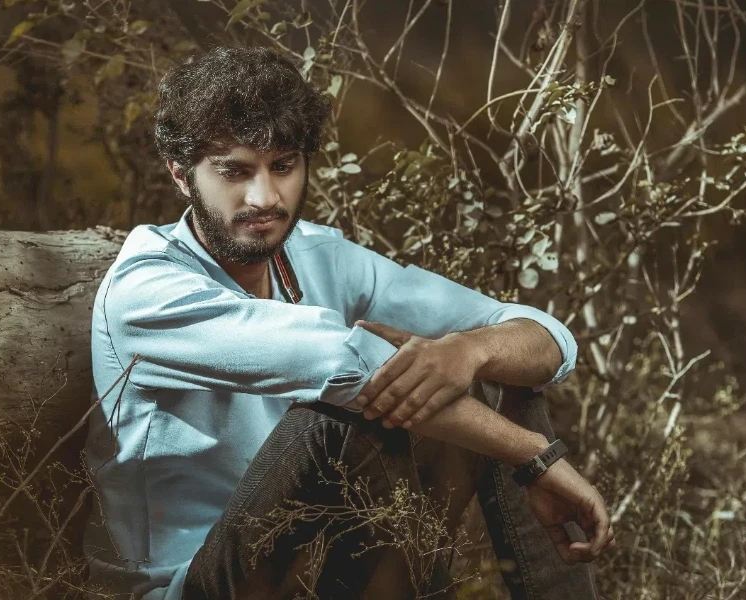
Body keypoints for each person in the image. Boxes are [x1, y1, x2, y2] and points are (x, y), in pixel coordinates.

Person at [84, 46, 614, 600]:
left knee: (498, 371)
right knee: (336, 422)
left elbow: (542, 335)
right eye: (235, 172)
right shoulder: (148, 290)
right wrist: (533, 455)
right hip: (190, 585)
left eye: (283, 166)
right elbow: (346, 367)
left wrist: (471, 350)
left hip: (304, 569)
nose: (265, 197)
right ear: (181, 174)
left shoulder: (319, 256)